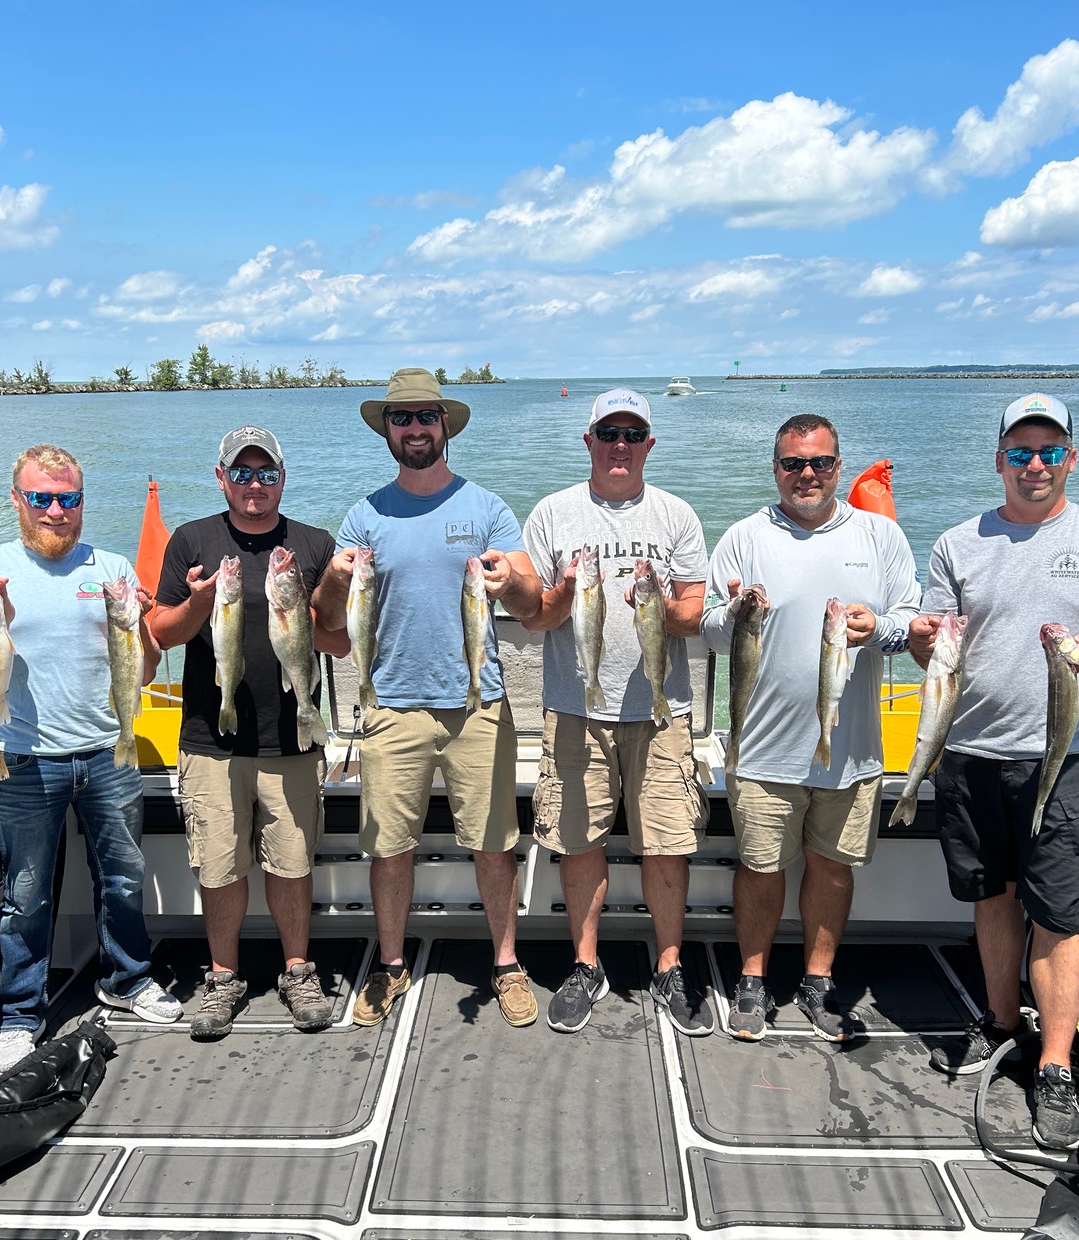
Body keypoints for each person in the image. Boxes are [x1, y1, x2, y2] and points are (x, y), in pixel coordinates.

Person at [909, 393, 1079, 1151]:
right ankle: (1000, 1020)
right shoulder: (958, 542)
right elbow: (930, 642)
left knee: (1059, 913)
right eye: (1020, 452)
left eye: (1048, 451)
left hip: (1062, 758)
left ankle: (1054, 1064)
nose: (1034, 464)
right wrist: (921, 637)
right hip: (968, 753)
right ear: (1000, 461)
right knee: (992, 897)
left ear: (1070, 459)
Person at [314, 368, 543, 1028]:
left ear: (445, 426)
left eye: (425, 417)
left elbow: (532, 604)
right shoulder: (364, 515)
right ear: (387, 431)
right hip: (390, 706)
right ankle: (390, 964)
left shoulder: (488, 508)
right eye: (401, 418)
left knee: (493, 844)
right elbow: (327, 620)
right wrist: (336, 577)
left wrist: (509, 582)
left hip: (479, 705)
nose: (414, 428)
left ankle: (506, 964)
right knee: (389, 847)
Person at [0, 444, 183, 1076]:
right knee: (26, 894)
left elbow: (146, 668)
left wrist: (139, 626)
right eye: (42, 498)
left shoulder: (111, 568)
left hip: (109, 751)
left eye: (69, 498)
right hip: (22, 760)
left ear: (82, 501)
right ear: (17, 500)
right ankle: (21, 1015)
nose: (56, 511)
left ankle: (127, 980)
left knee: (124, 877)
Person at [700, 414, 920, 1042]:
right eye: (793, 463)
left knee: (832, 869)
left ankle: (818, 981)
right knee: (759, 867)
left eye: (820, 462)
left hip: (852, 752)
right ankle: (751, 978)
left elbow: (913, 621)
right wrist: (735, 612)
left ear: (838, 467)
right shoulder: (744, 536)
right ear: (775, 468)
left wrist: (877, 628)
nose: (807, 474)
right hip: (762, 748)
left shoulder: (880, 536)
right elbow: (708, 628)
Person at [521, 388, 713, 1035]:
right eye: (609, 433)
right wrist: (566, 590)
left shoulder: (677, 516)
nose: (620, 445)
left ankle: (669, 966)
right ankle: (586, 965)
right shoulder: (552, 514)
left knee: (667, 842)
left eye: (633, 434)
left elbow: (694, 615)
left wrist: (656, 602)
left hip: (662, 711)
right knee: (579, 842)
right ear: (589, 441)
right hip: (574, 709)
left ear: (649, 445)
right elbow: (535, 616)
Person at [151, 426, 348, 1040]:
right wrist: (200, 602)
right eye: (242, 472)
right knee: (219, 866)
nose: (254, 484)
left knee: (292, 861)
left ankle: (298, 971)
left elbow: (341, 642)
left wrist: (311, 609)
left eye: (266, 473)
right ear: (222, 478)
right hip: (210, 738)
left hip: (291, 738)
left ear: (283, 479)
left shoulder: (314, 544)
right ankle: (222, 978)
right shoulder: (192, 541)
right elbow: (161, 632)